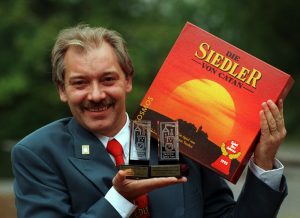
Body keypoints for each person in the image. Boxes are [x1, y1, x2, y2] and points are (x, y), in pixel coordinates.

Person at [12, 24, 287, 218]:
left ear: (128, 79)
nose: (96, 95)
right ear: (62, 90)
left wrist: (263, 162)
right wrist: (119, 198)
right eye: (80, 83)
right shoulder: (38, 153)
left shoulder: (177, 140)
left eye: (108, 79)